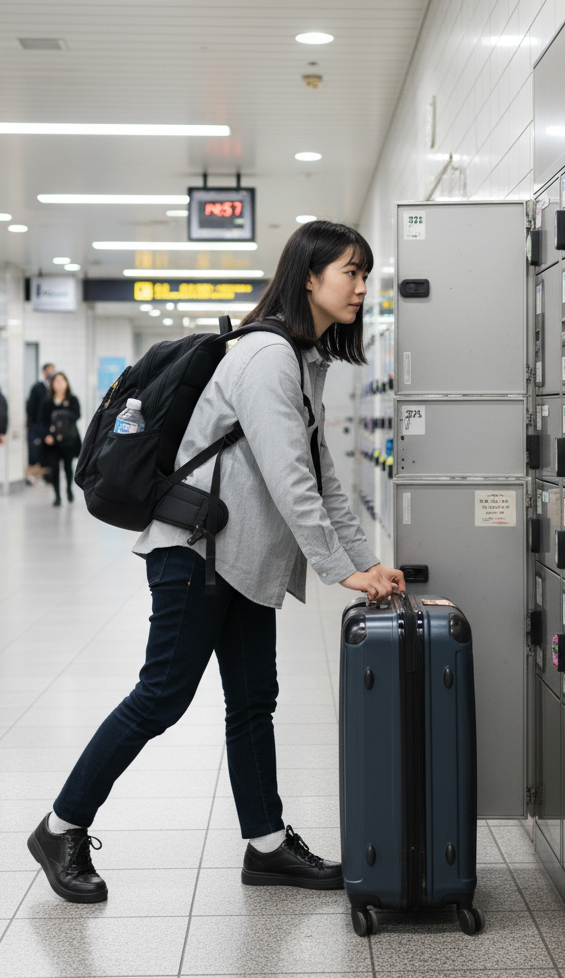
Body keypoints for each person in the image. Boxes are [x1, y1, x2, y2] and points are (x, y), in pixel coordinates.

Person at [27, 220, 406, 904]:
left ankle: (266, 845)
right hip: (195, 553)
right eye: (350, 272)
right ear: (310, 277)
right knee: (161, 697)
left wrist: (367, 562)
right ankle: (61, 827)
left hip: (240, 558)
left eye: (363, 274)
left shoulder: (302, 360)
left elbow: (323, 478)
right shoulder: (266, 358)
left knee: (253, 700)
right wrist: (338, 569)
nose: (360, 287)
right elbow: (290, 477)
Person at [38, 371, 81, 506]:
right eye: (56, 381)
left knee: (68, 466)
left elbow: (77, 416)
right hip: (53, 441)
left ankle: (69, 489)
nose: (59, 384)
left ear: (66, 383)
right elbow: (42, 421)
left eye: (62, 380)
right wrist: (47, 435)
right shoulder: (47, 401)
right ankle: (57, 495)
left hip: (68, 440)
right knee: (54, 468)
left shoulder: (72, 400)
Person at [26, 363, 54, 484]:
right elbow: (31, 407)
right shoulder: (37, 388)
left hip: (50, 426)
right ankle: (35, 476)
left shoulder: (54, 388)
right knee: (36, 452)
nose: (51, 373)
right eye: (48, 371)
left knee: (49, 453)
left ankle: (48, 476)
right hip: (38, 425)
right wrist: (33, 424)